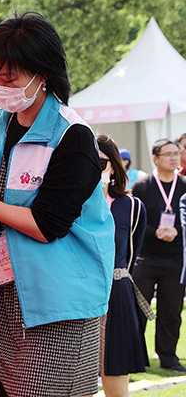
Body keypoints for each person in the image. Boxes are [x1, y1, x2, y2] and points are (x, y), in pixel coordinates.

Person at [0, 12, 115, 397]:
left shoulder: (73, 136)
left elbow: (46, 226)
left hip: (59, 302)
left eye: (9, 78)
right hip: (4, 293)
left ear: (42, 75)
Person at [97, 135, 150, 397]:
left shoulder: (132, 207)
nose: (94, 167)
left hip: (116, 292)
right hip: (74, 294)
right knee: (73, 379)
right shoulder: (68, 204)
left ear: (114, 165)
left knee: (115, 374)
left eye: (101, 162)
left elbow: (130, 254)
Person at [131, 138, 186, 372]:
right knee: (139, 309)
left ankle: (168, 356)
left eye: (176, 153)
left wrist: (177, 231)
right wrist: (155, 232)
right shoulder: (142, 186)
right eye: (168, 154)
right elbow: (134, 221)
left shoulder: (183, 185)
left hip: (175, 258)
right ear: (155, 158)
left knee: (172, 311)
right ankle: (136, 357)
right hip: (146, 258)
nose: (174, 158)